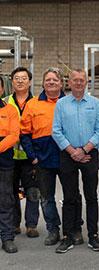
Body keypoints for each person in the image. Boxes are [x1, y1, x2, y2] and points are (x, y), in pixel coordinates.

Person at [52, 68, 99, 253]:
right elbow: (56, 131)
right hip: (68, 155)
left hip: (89, 154)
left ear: (86, 82)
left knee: (92, 196)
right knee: (69, 197)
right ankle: (67, 236)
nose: (79, 83)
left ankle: (93, 236)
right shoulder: (61, 104)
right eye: (75, 80)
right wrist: (73, 151)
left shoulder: (95, 103)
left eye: (82, 80)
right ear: (69, 82)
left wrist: (83, 150)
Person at [20, 68, 67, 246]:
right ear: (43, 83)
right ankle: (53, 229)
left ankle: (72, 229)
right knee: (47, 198)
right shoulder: (32, 104)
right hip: (43, 159)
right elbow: (24, 134)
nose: (51, 83)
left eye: (55, 80)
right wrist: (33, 157)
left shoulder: (69, 102)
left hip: (66, 157)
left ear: (61, 83)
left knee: (71, 196)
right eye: (48, 80)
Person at [4, 67, 40, 238]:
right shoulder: (5, 102)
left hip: (30, 155)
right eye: (16, 78)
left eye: (23, 78)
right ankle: (14, 223)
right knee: (11, 191)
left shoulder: (37, 103)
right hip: (9, 155)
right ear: (11, 82)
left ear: (30, 81)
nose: (20, 81)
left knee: (33, 190)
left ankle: (31, 225)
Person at [0, 76, 20, 253]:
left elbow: (14, 135)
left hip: (4, 163)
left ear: (1, 90)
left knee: (5, 200)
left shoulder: (11, 110)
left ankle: (7, 238)